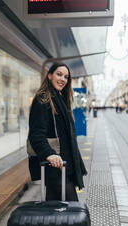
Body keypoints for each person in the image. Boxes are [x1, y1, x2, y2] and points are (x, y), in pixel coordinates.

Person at [28, 62, 87, 201]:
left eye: (66, 77)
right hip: (55, 164)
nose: (63, 79)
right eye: (59, 74)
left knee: (56, 210)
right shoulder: (43, 99)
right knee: (71, 209)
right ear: (49, 76)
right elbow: (36, 135)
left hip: (64, 163)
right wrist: (49, 154)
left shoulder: (61, 99)